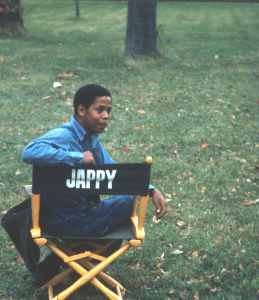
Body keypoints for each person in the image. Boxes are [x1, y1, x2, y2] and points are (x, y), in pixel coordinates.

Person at [22, 84, 167, 285]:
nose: (106, 116)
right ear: (82, 110)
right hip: (65, 221)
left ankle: (62, 266)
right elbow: (29, 151)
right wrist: (76, 157)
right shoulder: (65, 136)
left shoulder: (92, 140)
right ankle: (73, 267)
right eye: (100, 110)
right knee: (126, 205)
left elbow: (114, 171)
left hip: (74, 216)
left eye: (108, 111)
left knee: (117, 221)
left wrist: (150, 189)